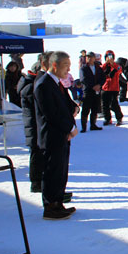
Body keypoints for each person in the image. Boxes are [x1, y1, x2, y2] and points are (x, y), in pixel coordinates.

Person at [34, 51, 79, 219]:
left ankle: (58, 203)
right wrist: (69, 128)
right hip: (52, 136)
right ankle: (51, 206)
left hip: (61, 136)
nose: (68, 69)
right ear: (55, 65)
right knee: (52, 171)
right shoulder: (43, 84)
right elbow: (51, 113)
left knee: (60, 170)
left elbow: (63, 106)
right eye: (65, 65)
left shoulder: (56, 83)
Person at [18, 59, 43, 193]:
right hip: (34, 126)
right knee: (36, 155)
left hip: (34, 126)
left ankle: (38, 181)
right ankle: (36, 182)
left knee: (37, 155)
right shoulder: (29, 86)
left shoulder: (29, 83)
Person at [80, 51, 105, 132]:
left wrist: (99, 85)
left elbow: (103, 78)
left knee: (95, 109)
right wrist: (93, 86)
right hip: (88, 91)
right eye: (88, 57)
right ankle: (84, 127)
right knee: (85, 110)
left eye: (91, 57)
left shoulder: (98, 68)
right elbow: (83, 79)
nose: (89, 59)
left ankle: (93, 125)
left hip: (97, 91)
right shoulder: (83, 68)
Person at [101, 50, 124, 126]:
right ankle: (107, 119)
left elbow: (119, 70)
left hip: (114, 88)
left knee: (114, 104)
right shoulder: (104, 66)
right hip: (105, 88)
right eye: (107, 57)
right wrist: (106, 63)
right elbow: (100, 70)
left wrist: (112, 63)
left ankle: (119, 118)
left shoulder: (116, 66)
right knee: (105, 105)